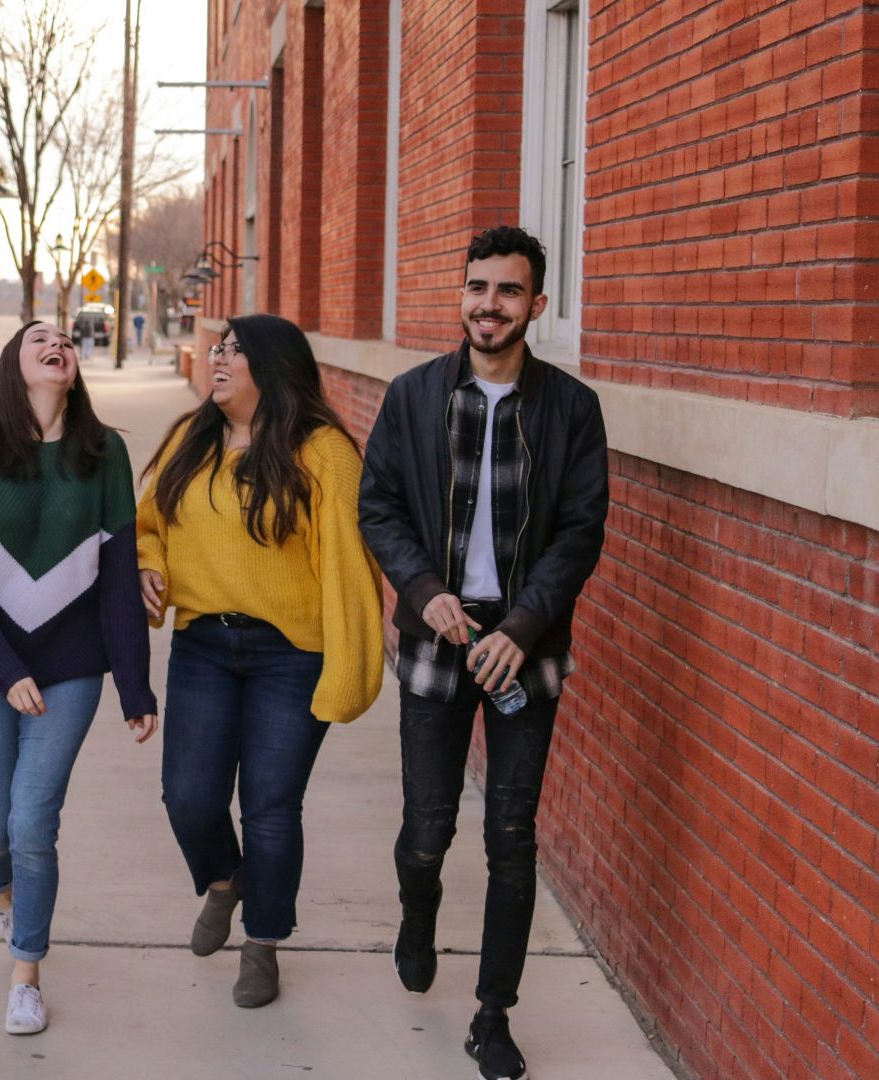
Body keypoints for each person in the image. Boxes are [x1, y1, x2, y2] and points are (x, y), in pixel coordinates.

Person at [358, 225, 608, 1080]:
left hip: (524, 644)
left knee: (511, 835)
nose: (488, 305)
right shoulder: (415, 396)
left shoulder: (571, 408)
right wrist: (423, 590)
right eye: (477, 288)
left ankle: (492, 1014)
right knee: (427, 827)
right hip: (438, 635)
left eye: (507, 291)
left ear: (535, 305)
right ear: (460, 294)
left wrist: (523, 625)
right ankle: (417, 910)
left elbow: (580, 532)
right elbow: (379, 507)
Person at [136, 313, 383, 1010]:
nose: (218, 359)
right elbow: (148, 523)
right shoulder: (191, 439)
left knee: (271, 809)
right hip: (203, 644)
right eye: (218, 347)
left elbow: (349, 568)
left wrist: (349, 670)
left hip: (291, 655)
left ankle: (264, 944)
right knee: (188, 797)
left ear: (272, 367)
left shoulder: (324, 451)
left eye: (235, 351)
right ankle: (223, 882)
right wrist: (147, 566)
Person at [0, 320, 159, 1035]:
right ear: (14, 363)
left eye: (65, 337)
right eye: (38, 337)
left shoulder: (106, 454)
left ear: (74, 367)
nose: (56, 342)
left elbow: (121, 580)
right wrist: (5, 672)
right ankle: (5, 900)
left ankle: (26, 971)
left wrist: (134, 685)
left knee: (33, 822)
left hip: (70, 670)